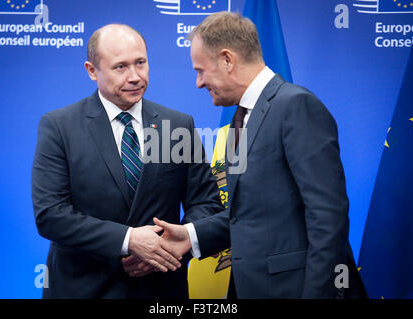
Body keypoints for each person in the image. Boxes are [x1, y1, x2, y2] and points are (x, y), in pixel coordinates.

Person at [149, 12, 367, 298]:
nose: (198, 83)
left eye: (200, 70)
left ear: (227, 60)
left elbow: (328, 218)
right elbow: (247, 216)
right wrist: (190, 236)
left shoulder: (296, 106)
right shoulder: (240, 121)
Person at [31, 23, 223, 298]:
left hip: (160, 290)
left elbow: (206, 203)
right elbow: (50, 215)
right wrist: (129, 240)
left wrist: (169, 246)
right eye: (120, 67)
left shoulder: (177, 125)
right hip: (84, 289)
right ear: (91, 70)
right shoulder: (59, 127)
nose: (135, 76)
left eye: (141, 63)